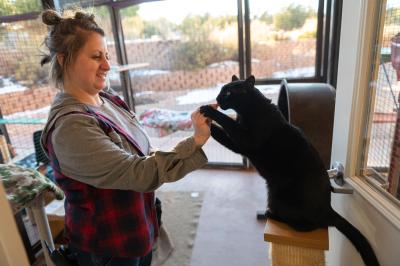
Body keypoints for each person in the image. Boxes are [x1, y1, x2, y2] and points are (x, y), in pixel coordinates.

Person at [39, 9, 211, 266]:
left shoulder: (107, 100)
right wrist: (194, 142)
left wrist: (195, 140)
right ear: (64, 60)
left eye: (106, 56)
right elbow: (139, 173)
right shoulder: (71, 127)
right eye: (96, 56)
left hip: (137, 231)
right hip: (108, 250)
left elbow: (147, 157)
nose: (107, 65)